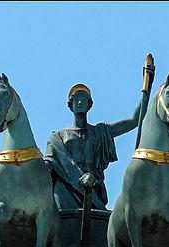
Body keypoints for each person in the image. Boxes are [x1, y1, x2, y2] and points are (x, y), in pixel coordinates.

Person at [44, 79, 152, 210]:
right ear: (70, 105)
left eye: (83, 99)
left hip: (93, 190)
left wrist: (146, 90)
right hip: (66, 191)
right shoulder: (57, 137)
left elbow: (134, 121)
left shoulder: (100, 132)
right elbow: (47, 165)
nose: (79, 102)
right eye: (75, 99)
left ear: (89, 105)